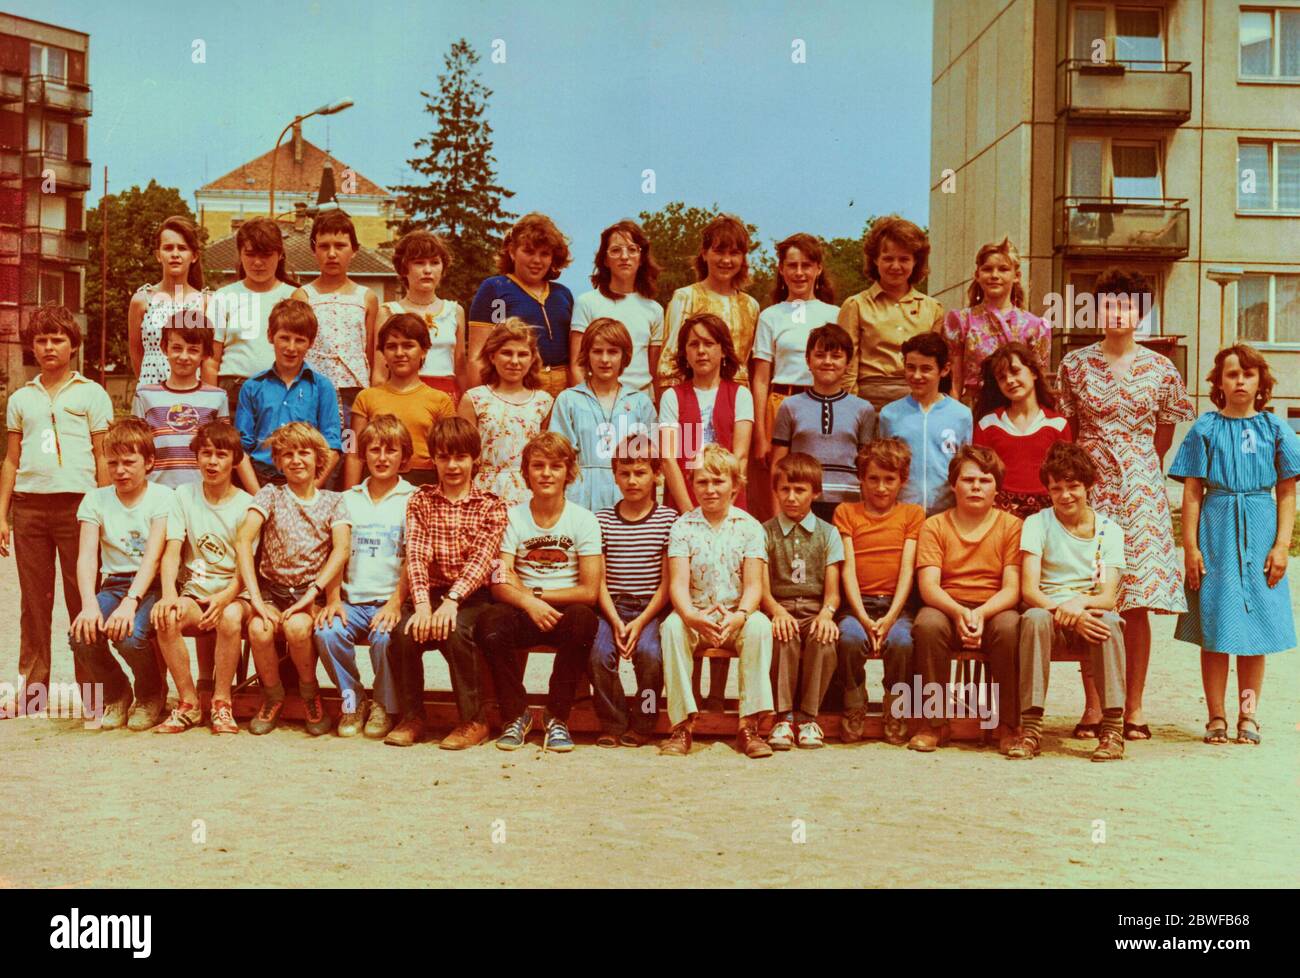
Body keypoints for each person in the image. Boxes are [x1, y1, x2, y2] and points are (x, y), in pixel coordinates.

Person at [1055, 267, 1195, 740]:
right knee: (1093, 593)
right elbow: (1070, 429)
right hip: (1092, 486)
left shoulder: (1161, 368)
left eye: (1129, 304)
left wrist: (1137, 471)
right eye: (1109, 303)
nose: (1118, 313)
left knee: (1134, 602)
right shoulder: (1075, 364)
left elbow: (1163, 435)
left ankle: (1133, 707)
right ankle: (1095, 706)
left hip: (1140, 488)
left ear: (1142, 311)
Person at [1171, 345, 1300, 747]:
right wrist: (1190, 549)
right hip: (1218, 529)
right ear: (1219, 383)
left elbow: (1287, 492)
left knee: (1254, 630)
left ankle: (1248, 713)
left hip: (1260, 528)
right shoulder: (1205, 428)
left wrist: (1281, 545)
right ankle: (1216, 716)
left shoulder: (1276, 429)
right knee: (1216, 625)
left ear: (1261, 382)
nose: (1240, 380)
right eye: (1231, 374)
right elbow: (1192, 493)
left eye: (1248, 374)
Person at [0, 306, 112, 715]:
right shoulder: (21, 398)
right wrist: (3, 514)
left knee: (84, 598)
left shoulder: (91, 393)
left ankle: (95, 693)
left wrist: (104, 510)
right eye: (42, 340)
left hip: (79, 509)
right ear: (33, 346)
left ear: (73, 346)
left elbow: (103, 456)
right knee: (34, 603)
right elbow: (11, 460)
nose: (49, 347)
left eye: (58, 340)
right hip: (29, 508)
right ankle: (32, 693)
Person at [475, 432, 601, 753]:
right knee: (489, 622)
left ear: (568, 472)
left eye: (555, 466)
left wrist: (539, 596)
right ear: (526, 472)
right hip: (523, 609)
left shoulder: (584, 520)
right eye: (538, 465)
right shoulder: (512, 517)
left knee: (584, 621)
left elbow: (589, 591)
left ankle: (557, 716)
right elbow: (500, 579)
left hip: (565, 611)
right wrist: (530, 603)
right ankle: (516, 715)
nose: (546, 473)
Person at [387, 416, 508, 749]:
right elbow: (416, 554)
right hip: (431, 594)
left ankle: (474, 720)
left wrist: (452, 602)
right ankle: (412, 716)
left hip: (472, 597)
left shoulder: (491, 506)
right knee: (404, 633)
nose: (452, 465)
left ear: (475, 459)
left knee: (455, 631)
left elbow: (482, 560)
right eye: (444, 457)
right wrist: (424, 605)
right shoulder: (421, 501)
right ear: (434, 460)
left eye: (460, 457)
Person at [234, 423, 351, 737]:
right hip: (272, 590)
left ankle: (309, 693)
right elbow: (243, 539)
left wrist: (313, 592)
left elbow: (341, 549)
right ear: (278, 461)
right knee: (259, 630)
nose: (296, 460)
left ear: (318, 459)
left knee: (298, 628)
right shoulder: (270, 494)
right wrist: (256, 599)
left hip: (309, 591)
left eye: (304, 452)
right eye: (288, 454)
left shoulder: (333, 501)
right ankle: (272, 695)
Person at [659, 444, 774, 759]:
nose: (709, 490)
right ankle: (682, 725)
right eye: (701, 482)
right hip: (695, 615)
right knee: (671, 627)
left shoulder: (749, 527)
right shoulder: (683, 527)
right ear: (692, 484)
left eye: (718, 481)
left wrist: (741, 615)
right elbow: (678, 585)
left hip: (737, 615)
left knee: (761, 627)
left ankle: (749, 726)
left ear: (735, 485)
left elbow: (753, 585)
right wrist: (691, 615)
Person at [1014, 442, 1127, 762]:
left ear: (1088, 485)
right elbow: (1029, 590)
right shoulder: (1037, 524)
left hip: (1089, 612)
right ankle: (1031, 728)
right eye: (1057, 488)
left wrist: (1079, 606)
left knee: (1109, 623)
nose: (1065, 496)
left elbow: (1107, 596)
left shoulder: (1110, 531)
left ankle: (1112, 730)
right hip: (1049, 611)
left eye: (1073, 486)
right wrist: (1064, 611)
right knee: (1033, 618)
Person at [911, 445, 1022, 752]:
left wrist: (981, 614)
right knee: (927, 625)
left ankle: (1008, 724)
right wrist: (960, 612)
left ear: (996, 487)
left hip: (995, 606)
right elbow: (929, 586)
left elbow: (1012, 588)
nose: (976, 486)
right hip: (947, 605)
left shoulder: (1011, 526)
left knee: (1011, 628)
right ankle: (933, 723)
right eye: (968, 479)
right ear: (953, 485)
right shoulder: (934, 525)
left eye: (985, 480)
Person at [314, 416, 416, 738]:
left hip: (391, 600)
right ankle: (352, 701)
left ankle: (384, 705)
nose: (382, 458)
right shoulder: (347, 499)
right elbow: (336, 553)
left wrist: (396, 603)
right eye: (374, 450)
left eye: (391, 450)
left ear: (405, 457)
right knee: (327, 632)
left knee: (386, 638)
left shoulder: (413, 499)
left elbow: (413, 558)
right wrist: (332, 599)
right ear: (363, 455)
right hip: (351, 599)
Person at [68, 418, 171, 731]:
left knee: (129, 635)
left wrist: (130, 602)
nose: (120, 471)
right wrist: (88, 604)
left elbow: (153, 558)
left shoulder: (163, 497)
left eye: (129, 462)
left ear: (149, 462)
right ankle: (117, 691)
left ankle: (152, 693)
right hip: (114, 584)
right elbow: (86, 556)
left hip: (151, 585)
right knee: (81, 634)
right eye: (113, 463)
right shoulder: (95, 500)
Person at [151, 420, 254, 735]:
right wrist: (170, 594)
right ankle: (189, 704)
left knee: (230, 617)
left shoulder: (247, 504)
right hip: (197, 591)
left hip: (235, 594)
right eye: (206, 454)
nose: (212, 462)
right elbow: (172, 551)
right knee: (167, 617)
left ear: (234, 460)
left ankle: (222, 703)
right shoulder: (183, 495)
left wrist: (225, 598)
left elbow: (244, 569)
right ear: (196, 457)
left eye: (221, 455)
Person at [834, 438, 925, 745]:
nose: (881, 488)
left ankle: (896, 705)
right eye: (873, 479)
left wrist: (890, 617)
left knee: (901, 641)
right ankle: (854, 702)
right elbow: (846, 568)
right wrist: (861, 614)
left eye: (890, 480)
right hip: (857, 604)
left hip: (897, 605)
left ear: (903, 480)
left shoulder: (912, 515)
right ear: (861, 478)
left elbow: (908, 570)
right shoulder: (846, 512)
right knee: (848, 637)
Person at [590, 435, 677, 747]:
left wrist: (640, 622)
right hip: (611, 606)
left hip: (650, 608)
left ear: (656, 475)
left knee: (651, 655)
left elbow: (668, 582)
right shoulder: (602, 520)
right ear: (614, 475)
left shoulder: (668, 519)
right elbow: (597, 579)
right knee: (599, 655)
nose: (632, 480)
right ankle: (613, 721)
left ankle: (645, 718)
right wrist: (614, 620)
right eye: (624, 473)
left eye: (640, 473)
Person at [761, 453, 843, 749]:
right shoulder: (765, 531)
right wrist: (776, 611)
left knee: (824, 638)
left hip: (813, 610)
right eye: (785, 489)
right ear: (776, 491)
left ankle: (809, 718)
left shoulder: (828, 533)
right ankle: (783, 718)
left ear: (816, 492)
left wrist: (827, 614)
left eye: (800, 490)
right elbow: (761, 586)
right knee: (783, 636)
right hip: (779, 609)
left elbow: (833, 590)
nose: (792, 497)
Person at [750, 232, 841, 476]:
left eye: (806, 266)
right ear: (781, 269)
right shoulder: (770, 316)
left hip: (821, 402)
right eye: (792, 265)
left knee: (816, 480)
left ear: (818, 269)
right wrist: (760, 435)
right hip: (781, 402)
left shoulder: (835, 314)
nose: (799, 273)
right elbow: (760, 379)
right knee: (780, 482)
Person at [133, 315, 257, 491]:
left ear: (205, 354)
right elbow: (136, 450)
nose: (184, 356)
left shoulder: (218, 397)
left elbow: (224, 447)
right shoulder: (145, 395)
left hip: (201, 496)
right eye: (176, 348)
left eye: (193, 350)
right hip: (157, 495)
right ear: (164, 348)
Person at [770, 322, 876, 522]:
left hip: (849, 506)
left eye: (836, 356)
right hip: (801, 502)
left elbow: (867, 467)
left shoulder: (863, 409)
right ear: (808, 360)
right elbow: (778, 465)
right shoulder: (790, 406)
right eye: (820, 355)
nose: (828, 362)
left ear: (848, 363)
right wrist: (777, 515)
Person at [549, 318, 656, 511]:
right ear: (587, 355)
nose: (605, 359)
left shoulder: (640, 402)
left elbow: (652, 460)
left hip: (628, 492)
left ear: (624, 356)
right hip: (579, 493)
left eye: (613, 352)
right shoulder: (569, 400)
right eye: (597, 351)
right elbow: (559, 456)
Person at [235, 298, 342, 488]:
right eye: (284, 338)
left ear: (311, 343)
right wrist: (257, 496)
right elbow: (241, 449)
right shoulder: (252, 387)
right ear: (270, 336)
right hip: (261, 479)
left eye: (300, 340)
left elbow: (332, 447)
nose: (291, 348)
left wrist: (309, 492)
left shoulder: (323, 387)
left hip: (307, 481)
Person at [840, 215, 944, 410]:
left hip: (917, 401)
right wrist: (852, 407)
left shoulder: (933, 308)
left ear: (915, 262)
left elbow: (935, 366)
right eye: (888, 258)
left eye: (904, 259)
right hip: (869, 401)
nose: (895, 266)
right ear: (875, 260)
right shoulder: (856, 305)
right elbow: (847, 365)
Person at [467, 213, 575, 395]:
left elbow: (575, 358)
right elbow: (478, 356)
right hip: (517, 385)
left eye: (545, 254)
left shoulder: (562, 294)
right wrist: (479, 402)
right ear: (512, 251)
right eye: (529, 251)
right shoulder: (496, 289)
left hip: (563, 389)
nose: (537, 261)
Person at [293, 209, 379, 432]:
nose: (332, 253)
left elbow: (370, 351)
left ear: (354, 250)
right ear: (314, 249)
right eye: (324, 246)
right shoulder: (303, 296)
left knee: (351, 451)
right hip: (314, 391)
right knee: (316, 450)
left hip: (354, 393)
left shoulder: (366, 297)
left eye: (340, 246)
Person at [658, 312, 754, 512]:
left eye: (708, 343)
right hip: (683, 499)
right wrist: (688, 513)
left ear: (723, 350)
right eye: (693, 344)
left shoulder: (740, 395)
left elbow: (741, 456)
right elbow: (668, 458)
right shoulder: (672, 396)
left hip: (729, 501)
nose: (701, 351)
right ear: (685, 352)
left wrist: (726, 507)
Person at [345, 314, 455, 488]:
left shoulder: (440, 400)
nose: (399, 353)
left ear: (424, 350)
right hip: (376, 479)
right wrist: (348, 499)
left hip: (424, 483)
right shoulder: (365, 398)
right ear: (382, 352)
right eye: (391, 347)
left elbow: (448, 456)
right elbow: (352, 453)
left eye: (408, 346)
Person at [204, 216, 299, 413]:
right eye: (250, 254)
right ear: (240, 254)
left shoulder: (295, 296)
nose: (257, 262)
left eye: (265, 255)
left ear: (280, 254)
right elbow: (211, 360)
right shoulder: (224, 297)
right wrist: (211, 407)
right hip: (233, 393)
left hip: (283, 390)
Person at [656, 214, 760, 392]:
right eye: (719, 252)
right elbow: (668, 365)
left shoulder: (751, 306)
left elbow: (754, 368)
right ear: (704, 254)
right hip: (693, 398)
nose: (726, 260)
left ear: (743, 258)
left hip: (739, 402)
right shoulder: (685, 297)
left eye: (734, 253)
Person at [942, 238, 1050, 406]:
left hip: (1017, 408)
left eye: (1003, 269)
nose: (994, 275)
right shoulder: (961, 321)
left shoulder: (1035, 326)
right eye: (987, 269)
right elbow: (955, 384)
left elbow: (1038, 382)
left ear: (1017, 276)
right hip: (973, 408)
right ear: (977, 275)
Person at [459, 318, 555, 507]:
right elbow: (463, 456)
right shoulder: (474, 399)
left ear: (532, 358)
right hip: (484, 492)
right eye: (506, 353)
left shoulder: (544, 402)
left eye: (522, 354)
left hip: (530, 492)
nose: (514, 361)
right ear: (493, 357)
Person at [972, 342, 1072, 519]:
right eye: (1002, 377)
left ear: (1033, 372)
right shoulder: (987, 424)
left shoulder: (1058, 424)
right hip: (1000, 515)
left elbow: (1066, 477)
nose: (1009, 380)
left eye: (1015, 371)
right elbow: (980, 476)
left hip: (1048, 514)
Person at [877, 332, 972, 515]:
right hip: (902, 512)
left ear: (944, 370)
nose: (917, 375)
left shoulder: (961, 415)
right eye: (911, 367)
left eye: (926, 369)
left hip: (947, 514)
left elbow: (964, 466)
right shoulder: (890, 414)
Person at [569, 220, 663, 395]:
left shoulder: (655, 309)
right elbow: (576, 365)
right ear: (605, 260)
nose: (624, 256)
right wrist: (587, 404)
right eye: (616, 250)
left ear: (641, 258)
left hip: (642, 404)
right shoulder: (587, 303)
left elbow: (654, 371)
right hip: (598, 401)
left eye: (632, 249)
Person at [379, 229, 465, 403]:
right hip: (402, 396)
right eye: (419, 263)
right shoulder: (388, 312)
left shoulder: (455, 311)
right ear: (404, 268)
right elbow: (380, 374)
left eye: (434, 263)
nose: (427, 270)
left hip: (446, 398)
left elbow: (461, 370)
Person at [129, 215, 209, 387]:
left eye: (182, 248)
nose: (175, 254)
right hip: (151, 391)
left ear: (194, 256)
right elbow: (136, 354)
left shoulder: (205, 302)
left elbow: (208, 357)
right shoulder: (141, 300)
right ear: (158, 255)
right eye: (168, 248)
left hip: (191, 394)